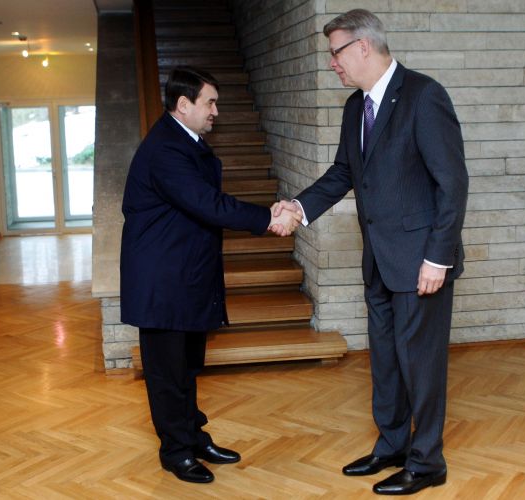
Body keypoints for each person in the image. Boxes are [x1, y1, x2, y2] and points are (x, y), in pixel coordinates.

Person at [274, 9, 468, 495]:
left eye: (335, 53)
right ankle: (393, 446)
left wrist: (438, 258)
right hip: (379, 261)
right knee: (385, 360)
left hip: (421, 262)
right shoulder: (353, 108)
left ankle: (427, 462)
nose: (332, 64)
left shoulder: (424, 95)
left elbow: (452, 183)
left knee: (421, 364)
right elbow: (344, 173)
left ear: (363, 46)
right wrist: (298, 208)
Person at [120, 66, 300, 484]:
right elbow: (207, 203)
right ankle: (175, 452)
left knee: (185, 369)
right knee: (167, 375)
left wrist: (268, 214)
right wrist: (268, 217)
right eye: (210, 102)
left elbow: (206, 204)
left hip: (185, 275)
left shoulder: (187, 141)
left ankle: (193, 438)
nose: (216, 111)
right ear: (184, 105)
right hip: (162, 280)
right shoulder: (165, 149)